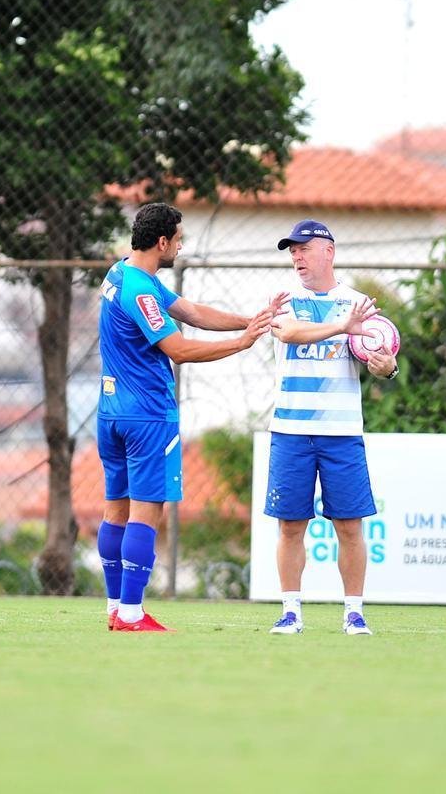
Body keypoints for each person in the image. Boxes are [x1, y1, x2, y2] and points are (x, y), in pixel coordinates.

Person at [97, 202, 285, 632]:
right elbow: (178, 349)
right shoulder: (140, 292)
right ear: (162, 242)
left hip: (111, 414)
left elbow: (191, 312)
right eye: (179, 240)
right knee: (147, 514)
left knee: (115, 511)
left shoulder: (121, 273)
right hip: (147, 417)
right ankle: (130, 613)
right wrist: (242, 343)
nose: (181, 247)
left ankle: (114, 607)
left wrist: (252, 321)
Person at [265, 219, 397, 636]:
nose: (297, 257)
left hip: (342, 432)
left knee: (350, 526)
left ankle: (354, 613)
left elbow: (379, 351)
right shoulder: (285, 301)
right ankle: (290, 612)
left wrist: (386, 366)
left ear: (329, 251)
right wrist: (342, 327)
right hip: (290, 428)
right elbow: (290, 334)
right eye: (293, 251)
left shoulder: (359, 303)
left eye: (304, 248)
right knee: (290, 525)